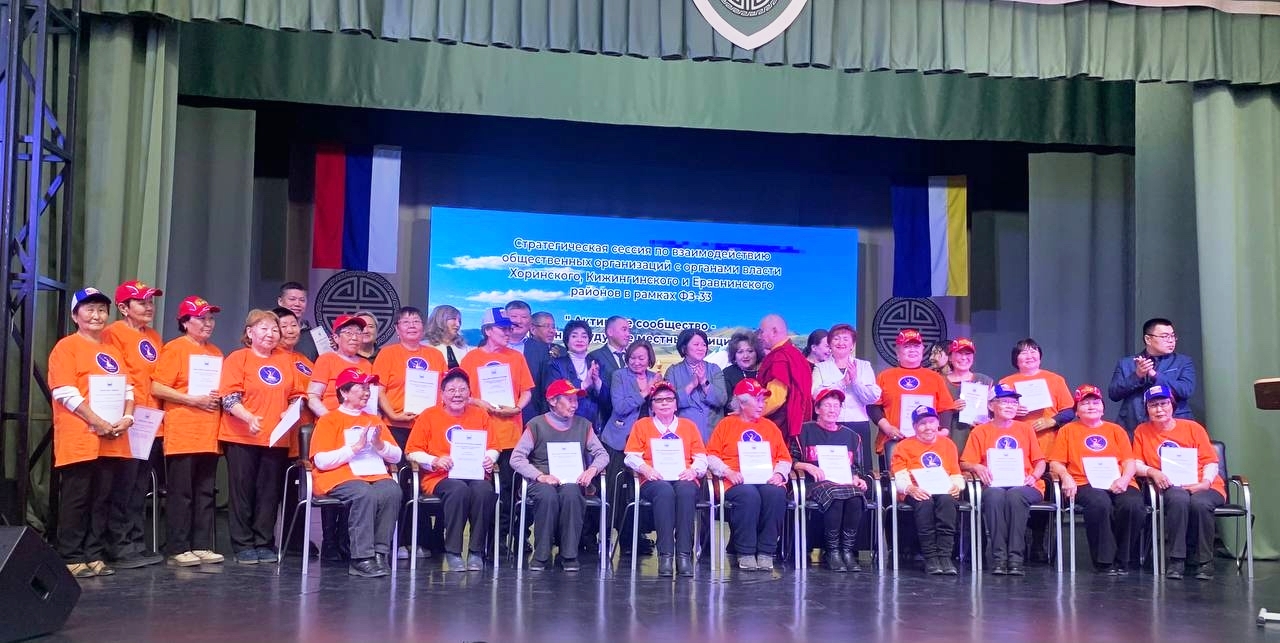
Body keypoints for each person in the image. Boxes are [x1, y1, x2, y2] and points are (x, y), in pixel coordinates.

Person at [50, 288, 137, 578]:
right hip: (80, 438)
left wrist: (127, 417)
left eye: (101, 310)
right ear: (75, 316)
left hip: (111, 438)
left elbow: (127, 388)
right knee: (77, 499)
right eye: (89, 310)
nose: (97, 315)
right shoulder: (66, 347)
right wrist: (96, 421)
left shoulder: (113, 350)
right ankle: (71, 555)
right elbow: (64, 392)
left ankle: (94, 553)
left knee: (102, 499)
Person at [218, 309, 305, 564]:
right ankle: (243, 544)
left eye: (275, 329)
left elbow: (298, 394)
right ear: (249, 332)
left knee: (269, 493)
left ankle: (264, 542)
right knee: (243, 492)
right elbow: (229, 397)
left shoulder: (285, 359)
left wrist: (292, 408)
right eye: (264, 328)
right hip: (242, 436)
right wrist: (248, 417)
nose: (270, 334)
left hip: (276, 438)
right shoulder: (238, 358)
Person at [150, 296, 225, 567]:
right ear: (184, 322)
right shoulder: (175, 348)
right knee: (181, 493)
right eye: (201, 318)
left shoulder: (216, 352)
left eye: (210, 318)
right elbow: (157, 387)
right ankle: (178, 547)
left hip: (209, 432)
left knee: (205, 491)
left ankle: (201, 544)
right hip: (182, 432)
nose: (208, 323)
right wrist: (192, 400)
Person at [309, 368, 404, 578]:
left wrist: (379, 445)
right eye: (361, 388)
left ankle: (380, 553)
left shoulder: (374, 420)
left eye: (368, 388)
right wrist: (354, 449)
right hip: (339, 476)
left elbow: (397, 456)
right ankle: (361, 558)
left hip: (374, 474)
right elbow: (321, 460)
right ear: (344, 392)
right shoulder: (329, 420)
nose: (367, 392)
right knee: (363, 493)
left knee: (392, 491)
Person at [509, 379, 610, 571]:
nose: (574, 405)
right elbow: (517, 458)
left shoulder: (584, 425)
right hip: (542, 480)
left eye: (576, 400)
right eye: (569, 399)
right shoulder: (536, 424)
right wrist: (540, 476)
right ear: (553, 401)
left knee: (572, 494)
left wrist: (592, 470)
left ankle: (569, 554)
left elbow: (602, 454)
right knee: (547, 496)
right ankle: (541, 554)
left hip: (572, 479)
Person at [371, 306, 447, 560]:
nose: (412, 325)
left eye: (416, 321)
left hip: (428, 428)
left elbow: (444, 391)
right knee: (403, 482)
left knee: (427, 482)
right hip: (396, 427)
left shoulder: (435, 355)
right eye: (406, 322)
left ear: (423, 327)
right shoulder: (388, 353)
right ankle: (401, 540)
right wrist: (392, 414)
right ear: (397, 329)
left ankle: (426, 539)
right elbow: (379, 389)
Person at [405, 368, 499, 571]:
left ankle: (476, 551)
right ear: (442, 394)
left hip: (475, 474)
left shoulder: (480, 414)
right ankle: (453, 551)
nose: (457, 394)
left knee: (484, 491)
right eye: (451, 390)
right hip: (440, 477)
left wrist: (489, 458)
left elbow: (493, 446)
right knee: (458, 489)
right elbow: (412, 451)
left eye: (462, 389)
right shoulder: (429, 415)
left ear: (469, 393)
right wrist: (434, 460)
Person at [100, 280, 165, 569]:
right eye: (141, 302)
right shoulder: (112, 333)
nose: (149, 307)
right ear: (124, 308)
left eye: (150, 302)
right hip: (127, 420)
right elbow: (113, 374)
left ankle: (136, 541)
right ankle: (118, 543)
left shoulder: (153, 336)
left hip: (151, 421)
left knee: (140, 485)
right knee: (122, 486)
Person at [1048, 384, 1143, 575]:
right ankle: (1104, 561)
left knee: (1133, 505)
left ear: (1103, 408)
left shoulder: (1116, 430)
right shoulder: (1067, 431)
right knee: (1100, 503)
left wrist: (1125, 479)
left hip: (1118, 480)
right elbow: (1056, 462)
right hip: (1083, 483)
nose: (1091, 406)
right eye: (1085, 403)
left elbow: (1129, 461)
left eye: (1095, 402)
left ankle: (1123, 558)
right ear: (1076, 411)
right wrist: (1065, 476)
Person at [1133, 384, 1224, 580]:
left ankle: (1204, 561)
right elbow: (1136, 463)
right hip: (1170, 484)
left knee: (1200, 504)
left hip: (1205, 484)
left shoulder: (1193, 428)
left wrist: (1205, 482)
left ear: (1172, 405)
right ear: (1146, 409)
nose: (1159, 409)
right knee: (1178, 500)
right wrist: (1153, 472)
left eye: (1164, 403)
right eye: (1153, 405)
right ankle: (1177, 560)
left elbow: (1210, 461)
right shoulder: (1142, 431)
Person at [460, 307, 535, 545]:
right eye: (503, 328)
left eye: (509, 328)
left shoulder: (516, 357)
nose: (508, 332)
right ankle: (480, 540)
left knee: (508, 489)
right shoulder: (471, 358)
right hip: (480, 434)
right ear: (487, 330)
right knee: (482, 490)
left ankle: (502, 539)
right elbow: (461, 393)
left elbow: (527, 391)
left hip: (510, 432)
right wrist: (478, 402)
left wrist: (518, 407)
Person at [706, 378, 792, 571]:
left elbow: (784, 458)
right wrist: (727, 471)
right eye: (758, 400)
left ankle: (766, 551)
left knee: (776, 493)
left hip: (766, 478)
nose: (762, 405)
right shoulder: (726, 425)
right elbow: (711, 456)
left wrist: (779, 474)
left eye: (763, 400)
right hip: (734, 481)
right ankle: (745, 551)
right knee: (748, 495)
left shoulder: (770, 427)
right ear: (742, 403)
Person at [1000, 338, 1074, 563]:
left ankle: (1039, 542)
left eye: (1033, 351)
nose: (1029, 355)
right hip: (1017, 450)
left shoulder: (1055, 380)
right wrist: (1013, 411)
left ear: (1040, 356)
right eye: (1023, 352)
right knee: (1016, 493)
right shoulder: (1006, 382)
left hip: (1048, 447)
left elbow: (1069, 411)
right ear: (1015, 359)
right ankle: (1019, 539)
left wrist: (1051, 421)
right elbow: (995, 411)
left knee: (1045, 496)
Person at [623, 381, 706, 577]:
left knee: (686, 490)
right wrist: (645, 468)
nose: (664, 403)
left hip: (683, 476)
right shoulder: (642, 425)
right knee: (664, 491)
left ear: (676, 404)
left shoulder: (688, 426)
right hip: (653, 479)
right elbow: (630, 456)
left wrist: (693, 471)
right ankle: (665, 555)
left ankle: (684, 555)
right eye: (658, 400)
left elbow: (701, 458)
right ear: (652, 405)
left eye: (669, 399)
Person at [961, 384, 1045, 575]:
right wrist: (977, 467)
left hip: (1025, 484)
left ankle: (1015, 558)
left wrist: (1034, 476)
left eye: (1014, 402)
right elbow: (965, 462)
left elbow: (1040, 461)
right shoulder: (980, 431)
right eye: (1005, 402)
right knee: (994, 496)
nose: (1010, 406)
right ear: (991, 406)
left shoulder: (1025, 429)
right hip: (993, 484)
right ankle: (999, 557)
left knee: (1015, 496)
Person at [792, 389, 869, 572]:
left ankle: (847, 551)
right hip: (813, 483)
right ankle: (832, 551)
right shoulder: (803, 431)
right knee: (835, 494)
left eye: (836, 406)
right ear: (817, 409)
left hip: (843, 483)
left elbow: (857, 467)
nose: (832, 410)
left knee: (856, 496)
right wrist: (807, 466)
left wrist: (857, 478)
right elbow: (790, 460)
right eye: (827, 405)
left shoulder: (852, 436)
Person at [602, 339, 662, 551]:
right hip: (618, 441)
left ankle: (632, 539)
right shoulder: (619, 376)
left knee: (636, 493)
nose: (637, 362)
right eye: (633, 358)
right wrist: (645, 392)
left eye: (641, 358)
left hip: (645, 444)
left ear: (649, 359)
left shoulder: (656, 377)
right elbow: (620, 407)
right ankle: (605, 536)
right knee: (614, 491)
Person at [890, 406, 964, 575]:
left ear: (938, 424)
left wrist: (957, 485)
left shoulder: (948, 444)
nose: (928, 427)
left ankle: (945, 557)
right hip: (916, 490)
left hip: (943, 489)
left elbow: (956, 473)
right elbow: (899, 476)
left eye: (931, 422)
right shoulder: (903, 446)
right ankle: (930, 558)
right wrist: (910, 488)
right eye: (922, 423)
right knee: (925, 502)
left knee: (947, 501)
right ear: (914, 426)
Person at [868, 329, 956, 461]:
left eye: (916, 346)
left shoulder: (934, 378)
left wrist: (943, 431)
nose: (912, 350)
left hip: (928, 444)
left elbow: (945, 408)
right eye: (907, 346)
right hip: (893, 442)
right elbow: (873, 406)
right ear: (897, 351)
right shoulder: (885, 376)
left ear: (922, 349)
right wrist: (887, 427)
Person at [1108, 318, 1197, 435]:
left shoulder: (1183, 362)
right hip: (1133, 425)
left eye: (1173, 336)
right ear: (1148, 339)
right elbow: (1114, 394)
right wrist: (1137, 375)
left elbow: (1186, 390)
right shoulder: (1127, 363)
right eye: (1165, 336)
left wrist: (1155, 375)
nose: (1171, 340)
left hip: (1173, 425)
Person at [811, 323, 881, 472]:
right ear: (830, 344)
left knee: (861, 468)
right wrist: (842, 383)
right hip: (830, 424)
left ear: (852, 344)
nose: (841, 342)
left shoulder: (864, 366)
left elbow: (873, 397)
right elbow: (816, 394)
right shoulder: (820, 367)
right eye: (836, 338)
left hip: (858, 423)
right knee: (832, 467)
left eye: (845, 339)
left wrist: (855, 381)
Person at [664, 328, 728, 442]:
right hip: (683, 435)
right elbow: (668, 403)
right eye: (696, 344)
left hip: (713, 434)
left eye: (704, 345)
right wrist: (691, 385)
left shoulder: (714, 369)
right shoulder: (673, 371)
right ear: (684, 348)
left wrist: (704, 382)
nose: (701, 348)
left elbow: (721, 400)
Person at [757, 314, 814, 438]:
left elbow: (775, 399)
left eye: (761, 332)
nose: (759, 336)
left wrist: (753, 413)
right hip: (799, 423)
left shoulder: (780, 357)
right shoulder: (796, 354)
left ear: (774, 331)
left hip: (781, 425)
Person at [542, 319, 607, 429]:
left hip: (591, 424)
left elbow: (606, 400)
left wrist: (597, 382)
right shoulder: (556, 364)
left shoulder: (596, 364)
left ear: (589, 341)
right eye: (574, 336)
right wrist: (584, 384)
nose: (580, 340)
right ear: (567, 341)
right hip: (563, 423)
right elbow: (553, 394)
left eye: (584, 336)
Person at [308, 314, 373, 417]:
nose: (354, 337)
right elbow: (312, 397)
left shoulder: (367, 365)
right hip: (330, 419)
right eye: (348, 333)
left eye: (358, 333)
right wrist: (331, 420)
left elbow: (371, 400)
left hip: (360, 421)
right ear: (336, 338)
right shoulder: (327, 359)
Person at [943, 338, 995, 454]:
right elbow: (931, 412)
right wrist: (950, 407)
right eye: (959, 353)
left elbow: (995, 411)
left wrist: (987, 420)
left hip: (978, 437)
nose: (964, 358)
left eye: (968, 354)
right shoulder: (940, 381)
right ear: (950, 357)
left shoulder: (985, 381)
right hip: (950, 438)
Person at [586, 315, 632, 425]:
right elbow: (596, 392)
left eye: (629, 330)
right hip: (607, 420)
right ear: (610, 332)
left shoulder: (633, 357)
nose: (628, 334)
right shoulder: (595, 356)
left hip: (632, 420)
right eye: (624, 329)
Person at [521, 310, 562, 422]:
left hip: (556, 412)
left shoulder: (561, 351)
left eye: (553, 327)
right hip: (530, 411)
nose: (552, 331)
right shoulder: (524, 350)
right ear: (533, 329)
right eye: (546, 326)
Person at [277, 281, 320, 361]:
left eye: (302, 300)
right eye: (292, 299)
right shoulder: (269, 331)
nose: (297, 304)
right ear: (280, 301)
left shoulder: (315, 335)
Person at [424, 304, 471, 369]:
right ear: (440, 320)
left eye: (459, 321)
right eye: (453, 319)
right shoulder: (425, 347)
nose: (458, 324)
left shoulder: (465, 349)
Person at [721, 331, 762, 397]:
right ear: (734, 355)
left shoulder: (766, 371)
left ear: (757, 353)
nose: (745, 356)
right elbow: (725, 401)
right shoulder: (727, 374)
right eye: (740, 352)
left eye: (750, 351)